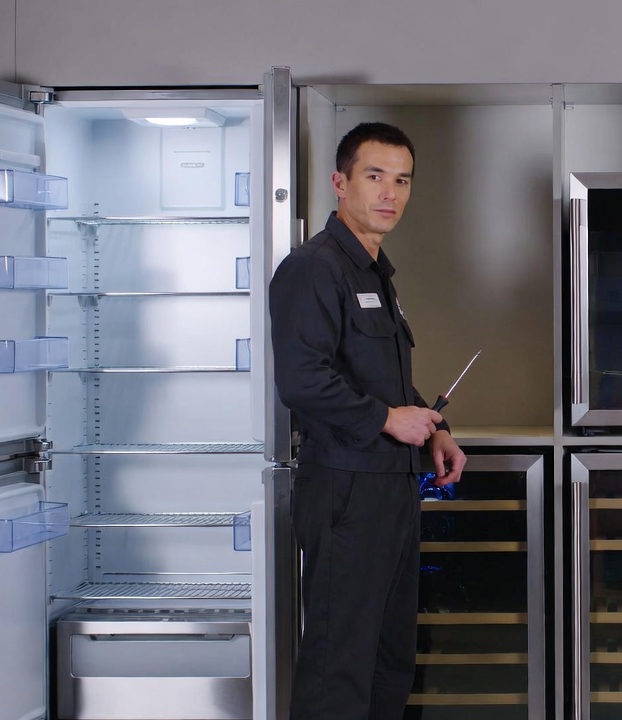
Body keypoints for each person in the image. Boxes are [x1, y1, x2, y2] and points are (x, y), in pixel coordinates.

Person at [268, 121, 467, 720]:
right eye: (375, 176)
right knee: (340, 665)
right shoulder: (313, 268)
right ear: (340, 182)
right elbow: (302, 381)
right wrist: (386, 419)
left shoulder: (374, 271)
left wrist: (434, 429)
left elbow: (382, 380)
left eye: (402, 180)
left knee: (388, 659)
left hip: (392, 489)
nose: (390, 192)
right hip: (345, 490)